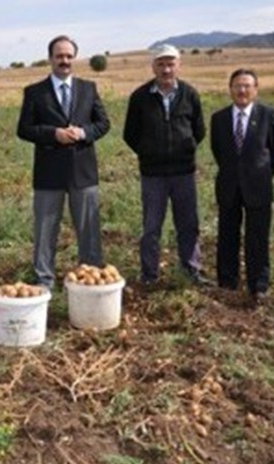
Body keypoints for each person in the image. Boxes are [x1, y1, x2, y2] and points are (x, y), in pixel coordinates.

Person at [17, 35, 111, 289]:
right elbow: (24, 129)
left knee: (89, 229)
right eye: (59, 56)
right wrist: (53, 134)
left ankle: (90, 276)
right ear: (50, 59)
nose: (65, 60)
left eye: (69, 56)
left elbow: (103, 124)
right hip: (49, 174)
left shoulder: (88, 88)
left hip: (83, 172)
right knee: (45, 230)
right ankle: (44, 279)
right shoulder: (35, 92)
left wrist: (82, 133)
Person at [123, 44, 211, 287]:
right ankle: (149, 275)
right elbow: (130, 134)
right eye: (161, 64)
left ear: (178, 66)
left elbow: (199, 130)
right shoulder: (140, 97)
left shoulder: (190, 94)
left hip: (184, 172)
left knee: (188, 224)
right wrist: (149, 152)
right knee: (151, 227)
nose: (166, 69)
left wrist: (185, 149)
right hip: (153, 174)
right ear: (153, 67)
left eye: (171, 63)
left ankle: (191, 271)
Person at [209, 69, 274, 304]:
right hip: (229, 185)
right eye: (237, 86)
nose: (242, 90)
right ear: (230, 89)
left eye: (247, 86)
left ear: (256, 89)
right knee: (227, 236)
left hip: (258, 186)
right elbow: (218, 151)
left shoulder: (267, 115)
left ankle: (258, 285)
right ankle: (227, 282)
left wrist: (259, 173)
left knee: (258, 238)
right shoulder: (219, 118)